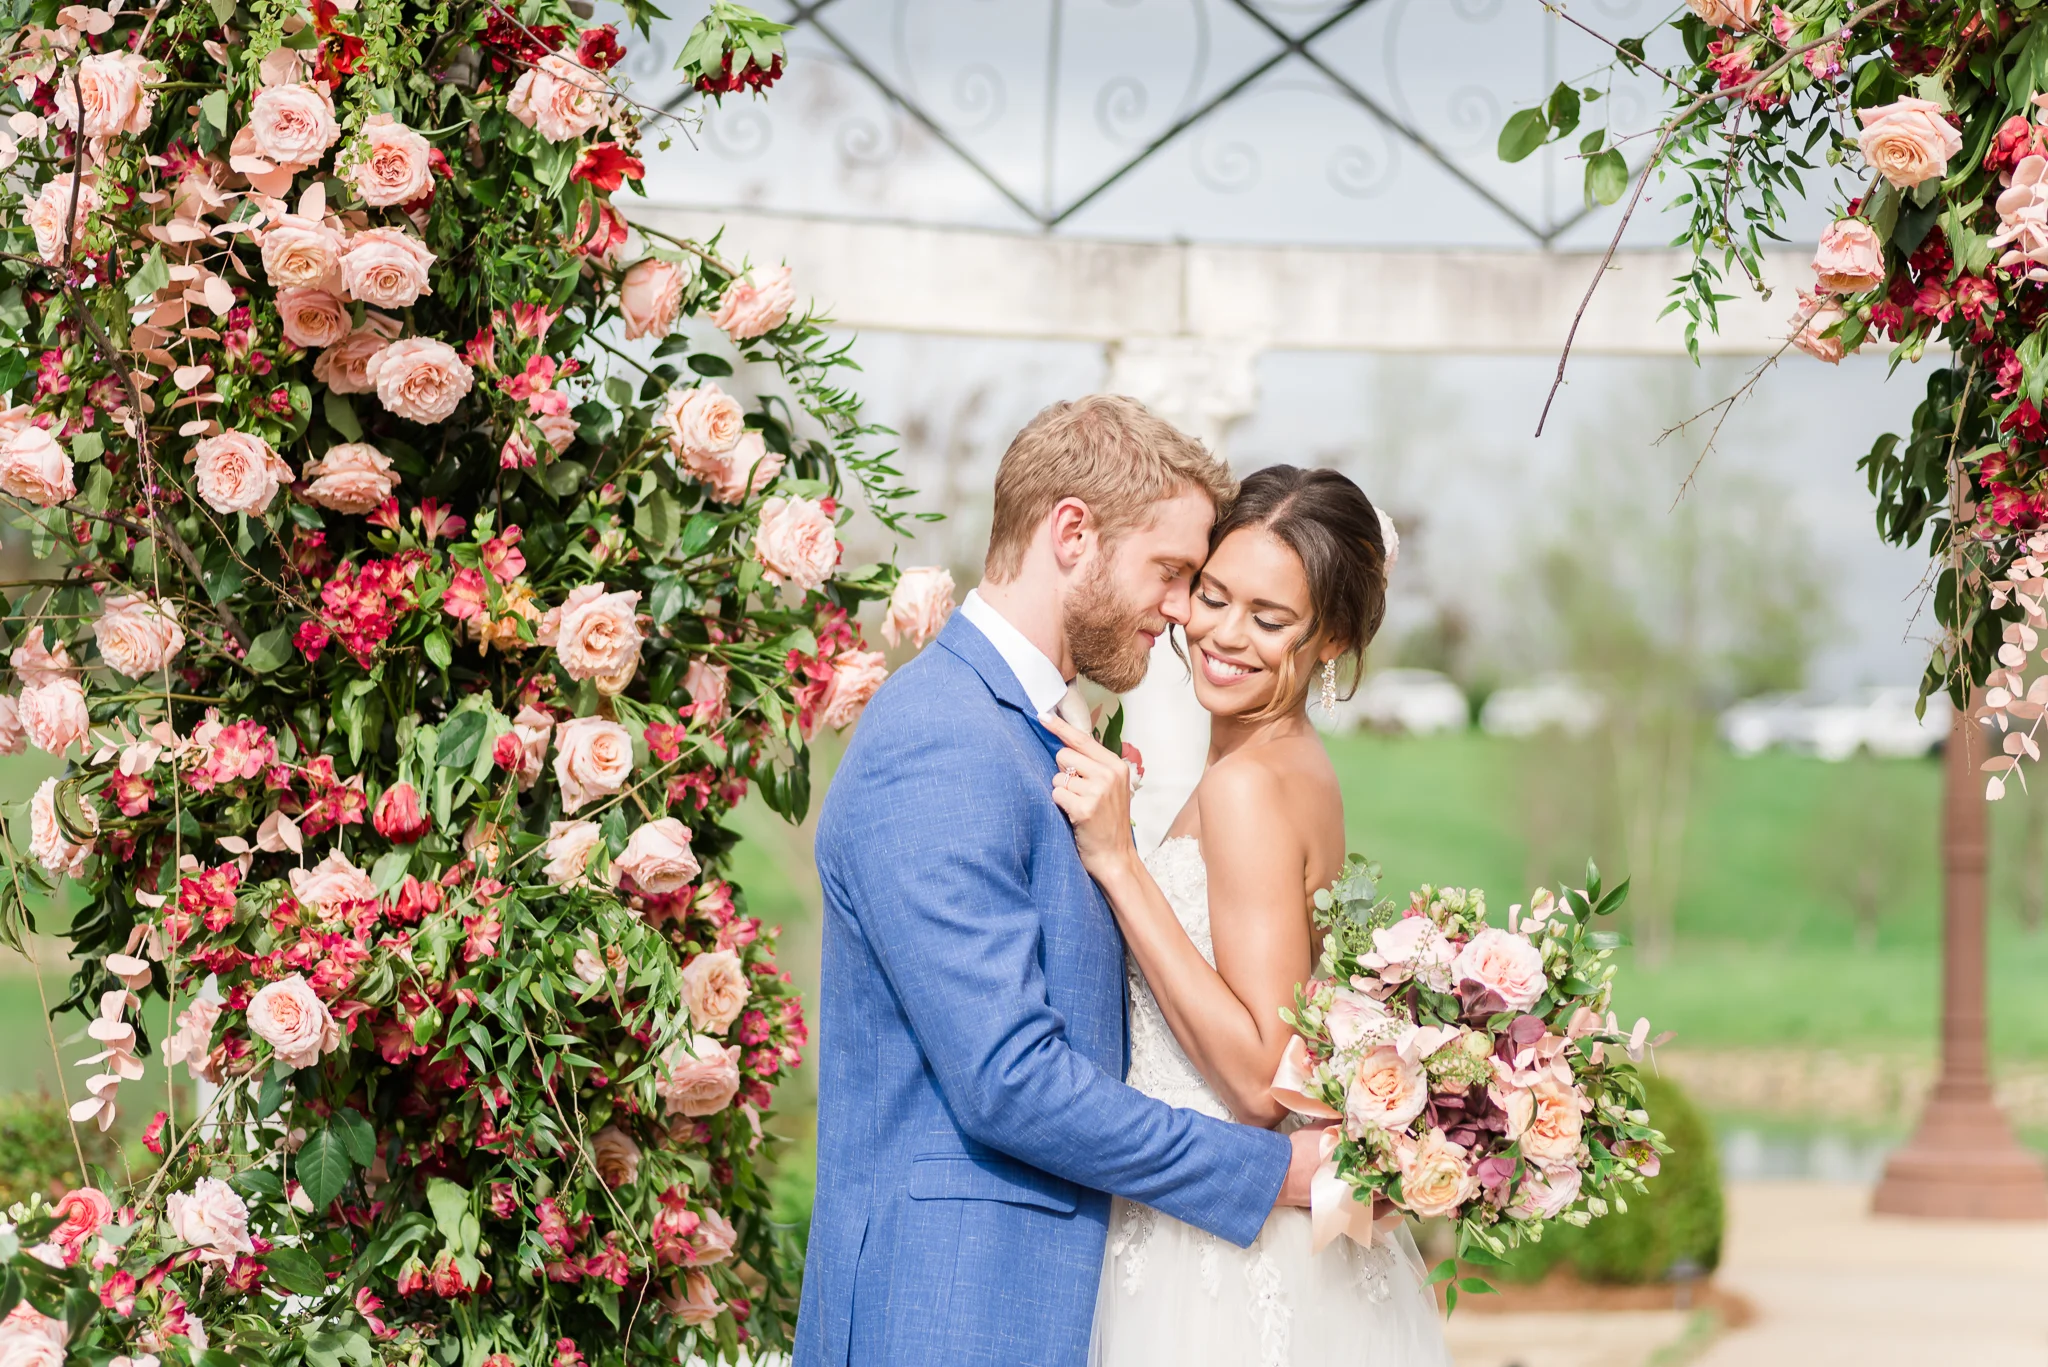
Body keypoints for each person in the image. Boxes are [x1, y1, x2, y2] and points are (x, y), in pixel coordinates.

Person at [794, 398, 1329, 1367]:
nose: (1180, 611)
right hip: (951, 1312)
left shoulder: (1042, 730)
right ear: (1071, 533)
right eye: (1170, 572)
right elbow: (1008, 1082)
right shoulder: (941, 737)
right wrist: (1268, 1172)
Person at [1045, 464, 1451, 1365]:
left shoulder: (1246, 788)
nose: (1223, 635)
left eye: (1269, 620)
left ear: (1333, 638)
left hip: (1214, 1252)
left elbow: (1263, 1082)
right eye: (1211, 595)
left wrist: (1119, 862)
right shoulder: (1299, 766)